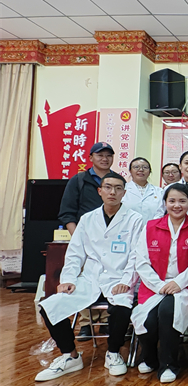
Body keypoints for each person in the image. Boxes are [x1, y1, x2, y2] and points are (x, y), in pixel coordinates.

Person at [35, 172, 143, 382]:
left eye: (118, 188)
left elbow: (136, 256)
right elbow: (75, 253)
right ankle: (70, 356)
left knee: (121, 308)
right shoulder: (87, 219)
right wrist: (68, 280)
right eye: (108, 187)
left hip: (119, 278)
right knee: (50, 306)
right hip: (90, 279)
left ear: (124, 193)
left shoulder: (135, 220)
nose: (113, 192)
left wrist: (126, 282)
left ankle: (113, 353)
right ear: (100, 191)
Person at [132, 183, 188, 383]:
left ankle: (169, 364)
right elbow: (141, 261)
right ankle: (149, 357)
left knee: (168, 311)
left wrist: (179, 282)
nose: (177, 205)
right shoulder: (151, 227)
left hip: (184, 285)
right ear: (165, 203)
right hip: (154, 285)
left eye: (182, 201)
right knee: (147, 320)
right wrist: (159, 285)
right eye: (172, 201)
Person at [58, 141, 116, 340]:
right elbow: (67, 212)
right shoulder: (79, 180)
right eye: (100, 155)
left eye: (108, 155)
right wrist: (79, 238)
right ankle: (86, 324)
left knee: (110, 276)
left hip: (111, 241)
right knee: (84, 280)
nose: (104, 159)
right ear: (91, 158)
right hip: (84, 239)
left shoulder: (116, 180)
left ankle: (107, 321)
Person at [122, 157, 163, 221]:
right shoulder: (122, 189)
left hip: (153, 226)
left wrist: (151, 225)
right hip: (127, 226)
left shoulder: (159, 191)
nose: (141, 170)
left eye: (145, 167)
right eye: (136, 167)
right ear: (130, 171)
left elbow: (161, 212)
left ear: (149, 171)